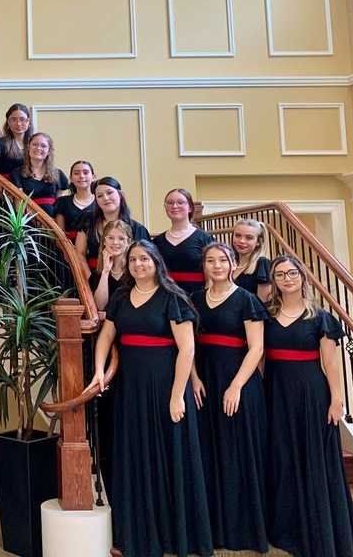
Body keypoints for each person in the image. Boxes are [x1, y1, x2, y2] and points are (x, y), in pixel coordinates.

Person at [91, 240, 213, 557]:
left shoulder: (173, 298)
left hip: (165, 387)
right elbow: (105, 336)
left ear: (156, 262)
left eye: (144, 258)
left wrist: (177, 395)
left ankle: (174, 536)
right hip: (129, 388)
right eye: (133, 259)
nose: (138, 264)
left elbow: (187, 349)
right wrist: (99, 371)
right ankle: (135, 535)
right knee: (134, 457)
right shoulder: (120, 298)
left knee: (169, 457)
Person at [263, 255, 353, 557]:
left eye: (292, 273)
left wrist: (336, 400)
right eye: (280, 274)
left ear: (303, 277)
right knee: (282, 457)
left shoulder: (320, 318)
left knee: (312, 457)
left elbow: (331, 363)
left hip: (310, 394)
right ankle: (286, 528)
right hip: (275, 392)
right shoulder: (267, 315)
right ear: (274, 280)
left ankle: (319, 531)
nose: (287, 278)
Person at [188, 242, 268, 553]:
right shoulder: (195, 299)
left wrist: (235, 387)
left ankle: (242, 530)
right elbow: (188, 344)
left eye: (223, 260)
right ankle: (214, 530)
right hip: (205, 383)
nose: (217, 265)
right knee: (209, 453)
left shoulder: (247, 300)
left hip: (239, 384)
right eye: (210, 260)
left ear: (233, 264)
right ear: (204, 266)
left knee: (237, 453)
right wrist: (194, 378)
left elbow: (256, 348)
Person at [88, 219, 133, 502]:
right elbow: (100, 306)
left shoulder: (137, 270)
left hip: (131, 346)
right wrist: (105, 271)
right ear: (103, 242)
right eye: (110, 238)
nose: (115, 243)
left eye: (120, 239)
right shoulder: (98, 273)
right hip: (107, 345)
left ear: (129, 242)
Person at [75, 176, 150, 280]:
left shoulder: (137, 229)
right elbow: (80, 254)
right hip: (94, 278)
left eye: (109, 193)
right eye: (100, 196)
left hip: (128, 281)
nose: (105, 198)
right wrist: (90, 282)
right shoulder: (88, 221)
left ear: (120, 195)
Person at [152, 187, 213, 297]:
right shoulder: (157, 242)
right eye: (170, 203)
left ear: (190, 208)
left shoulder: (204, 239)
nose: (175, 206)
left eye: (180, 202)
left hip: (197, 298)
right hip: (165, 298)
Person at [8, 132, 69, 218]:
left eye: (43, 146)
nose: (38, 148)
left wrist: (52, 222)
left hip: (52, 221)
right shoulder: (17, 173)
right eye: (35, 144)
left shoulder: (57, 174)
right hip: (28, 220)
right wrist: (39, 221)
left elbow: (60, 206)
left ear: (49, 151)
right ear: (28, 147)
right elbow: (19, 206)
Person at [0, 103, 32, 178]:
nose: (18, 123)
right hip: (5, 184)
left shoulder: (35, 144)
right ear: (8, 123)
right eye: (14, 119)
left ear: (28, 122)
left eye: (22, 119)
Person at [232, 218, 272, 302]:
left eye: (249, 238)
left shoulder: (263, 264)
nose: (241, 241)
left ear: (258, 242)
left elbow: (262, 304)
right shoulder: (229, 263)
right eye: (237, 235)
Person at [55, 160, 95, 244]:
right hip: (68, 248)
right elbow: (60, 235)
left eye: (85, 172)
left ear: (93, 177)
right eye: (76, 173)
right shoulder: (62, 202)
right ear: (71, 179)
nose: (81, 176)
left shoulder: (100, 202)